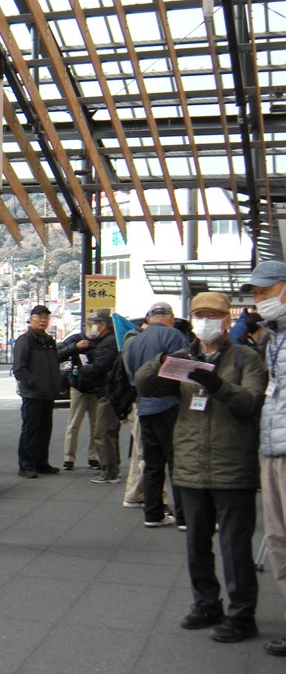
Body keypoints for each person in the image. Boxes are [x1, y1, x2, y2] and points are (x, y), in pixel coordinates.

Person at [136, 291, 265, 643]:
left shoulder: (247, 357)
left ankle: (242, 614)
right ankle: (206, 603)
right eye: (200, 315)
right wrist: (161, 360)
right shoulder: (184, 356)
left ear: (226, 320)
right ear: (192, 320)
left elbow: (251, 402)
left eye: (213, 315)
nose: (206, 322)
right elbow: (144, 384)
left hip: (232, 464)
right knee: (196, 543)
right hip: (190, 463)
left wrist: (218, 385)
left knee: (235, 546)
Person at [240, 260, 286, 655]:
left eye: (266, 292)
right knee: (276, 538)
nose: (259, 300)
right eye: (255, 294)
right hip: (271, 447)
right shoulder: (274, 337)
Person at [124, 301, 190, 526]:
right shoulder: (174, 335)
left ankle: (153, 514)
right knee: (177, 462)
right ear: (170, 318)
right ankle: (184, 517)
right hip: (170, 405)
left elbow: (132, 375)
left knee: (152, 463)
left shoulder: (134, 340)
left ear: (149, 318)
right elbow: (183, 371)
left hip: (144, 406)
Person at [12, 305, 78, 478]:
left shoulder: (49, 340)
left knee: (44, 430)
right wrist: (32, 383)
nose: (43, 321)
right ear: (31, 319)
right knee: (30, 430)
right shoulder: (25, 340)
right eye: (39, 317)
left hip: (48, 393)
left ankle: (41, 463)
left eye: (45, 318)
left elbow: (55, 361)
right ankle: (26, 465)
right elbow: (19, 368)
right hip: (33, 394)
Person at [74, 311, 121, 484]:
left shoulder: (107, 344)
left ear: (101, 325)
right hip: (110, 391)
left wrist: (82, 370)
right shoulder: (108, 341)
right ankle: (112, 468)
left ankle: (109, 472)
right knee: (109, 433)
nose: (88, 328)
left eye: (90, 324)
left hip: (107, 393)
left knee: (102, 433)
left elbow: (99, 367)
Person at [61, 329, 100, 471]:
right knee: (73, 424)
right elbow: (59, 353)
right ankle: (68, 458)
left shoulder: (103, 341)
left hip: (96, 388)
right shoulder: (75, 339)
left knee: (96, 425)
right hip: (79, 386)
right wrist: (75, 347)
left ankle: (94, 456)